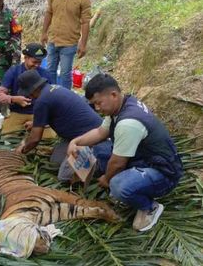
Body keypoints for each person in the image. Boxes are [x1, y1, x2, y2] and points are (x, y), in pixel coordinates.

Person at [67, 74, 183, 232]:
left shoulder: (128, 123)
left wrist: (107, 179)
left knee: (119, 186)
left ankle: (149, 207)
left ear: (113, 94)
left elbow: (118, 163)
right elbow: (100, 132)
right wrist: (76, 142)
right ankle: (131, 180)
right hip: (144, 156)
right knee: (100, 149)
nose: (97, 108)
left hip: (163, 172)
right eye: (94, 104)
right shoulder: (121, 105)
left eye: (98, 103)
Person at [15, 70, 111, 180]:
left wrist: (22, 150)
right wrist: (36, 123)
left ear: (31, 91)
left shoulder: (42, 102)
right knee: (56, 161)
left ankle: (101, 163)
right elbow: (61, 113)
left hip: (92, 138)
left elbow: (35, 139)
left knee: (64, 176)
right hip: (80, 135)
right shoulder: (54, 88)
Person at [0, 43, 55, 138]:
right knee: (6, 138)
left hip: (39, 113)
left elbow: (52, 97)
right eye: (34, 62)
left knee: (48, 140)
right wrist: (14, 99)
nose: (37, 65)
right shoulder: (14, 71)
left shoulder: (45, 74)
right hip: (17, 112)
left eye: (39, 62)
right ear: (26, 57)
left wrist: (41, 120)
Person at [40, 0, 91, 89]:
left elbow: (85, 22)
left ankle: (65, 99)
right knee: (50, 70)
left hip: (69, 43)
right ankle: (51, 95)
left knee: (65, 74)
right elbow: (49, 12)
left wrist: (83, 44)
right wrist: (44, 32)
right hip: (53, 39)